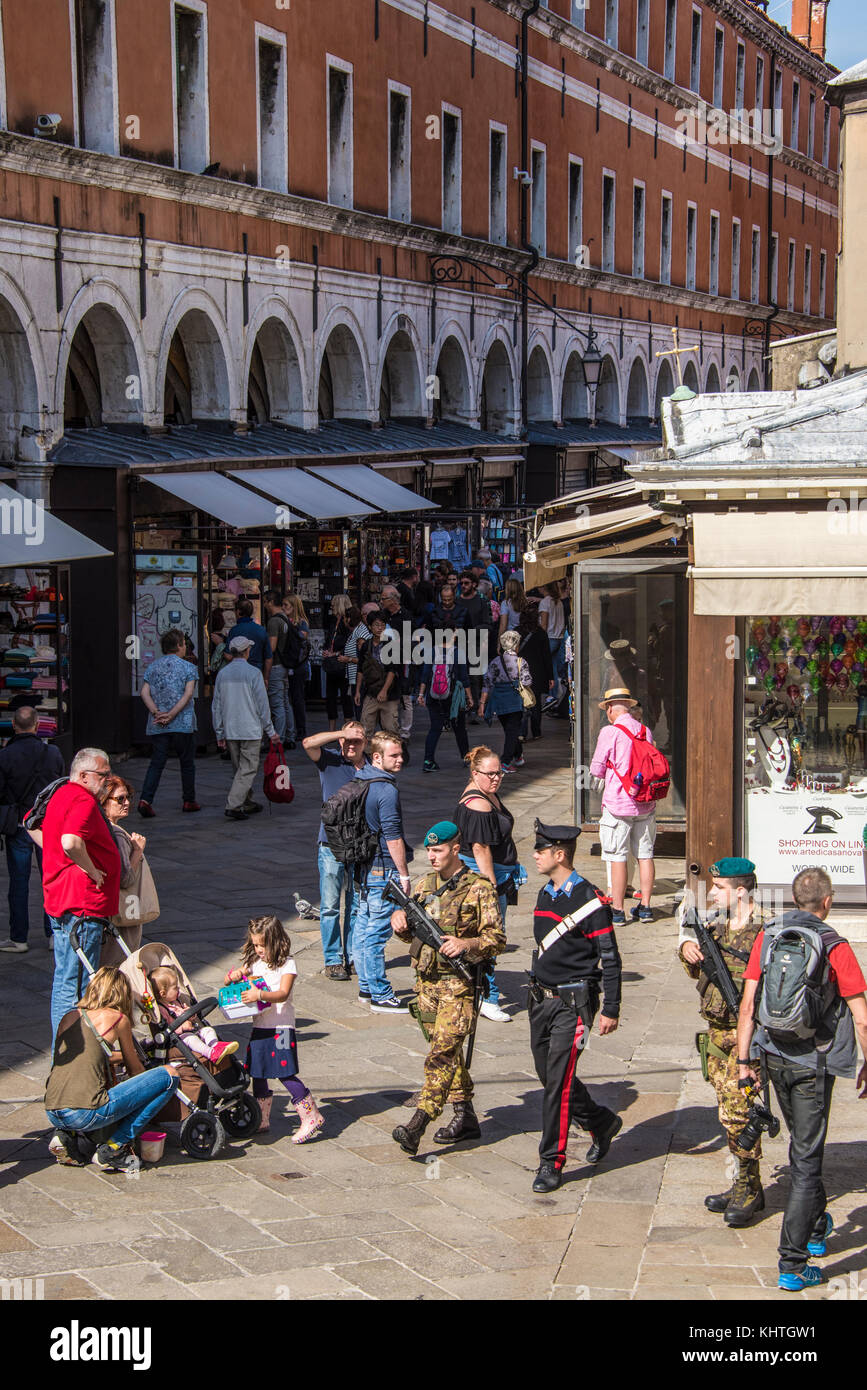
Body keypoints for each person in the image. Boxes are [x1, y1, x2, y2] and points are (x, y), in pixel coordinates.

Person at [736, 866, 867, 1291]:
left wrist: (744, 1061)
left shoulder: (769, 936)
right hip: (815, 1064)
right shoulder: (835, 945)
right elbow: (861, 1019)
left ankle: (813, 1225)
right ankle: (793, 1263)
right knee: (807, 1161)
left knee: (802, 1148)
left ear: (795, 900)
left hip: (772, 1056)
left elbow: (748, 1004)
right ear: (826, 903)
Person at [390, 820, 505, 1155]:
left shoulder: (478, 888)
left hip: (459, 986)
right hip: (426, 984)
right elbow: (414, 934)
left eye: (438, 850)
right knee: (449, 1054)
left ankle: (418, 1124)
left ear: (456, 849)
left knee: (440, 1056)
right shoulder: (425, 887)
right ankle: (465, 1116)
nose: (432, 856)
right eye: (429, 850)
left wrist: (466, 945)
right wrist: (400, 926)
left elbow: (497, 940)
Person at [528, 820, 623, 1193]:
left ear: (560, 854)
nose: (535, 855)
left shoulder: (589, 900)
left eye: (541, 849)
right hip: (541, 1000)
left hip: (574, 1004)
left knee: (557, 1085)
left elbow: (611, 958)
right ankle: (600, 1122)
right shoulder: (545, 894)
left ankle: (551, 1161)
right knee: (548, 1076)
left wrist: (611, 1008)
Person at [678, 858, 771, 1225]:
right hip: (717, 1036)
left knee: (740, 1115)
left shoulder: (765, 930)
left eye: (719, 888)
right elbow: (697, 969)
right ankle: (745, 1186)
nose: (712, 893)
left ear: (742, 891)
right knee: (728, 1113)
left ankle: (749, 1190)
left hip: (747, 1039)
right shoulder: (715, 927)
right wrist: (686, 950)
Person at [44, 966, 180, 1174]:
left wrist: (115, 1059)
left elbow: (85, 1059)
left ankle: (65, 1136)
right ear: (121, 993)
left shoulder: (69, 1017)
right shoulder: (117, 1019)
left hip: (53, 1109)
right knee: (169, 1076)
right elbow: (135, 1070)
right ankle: (114, 1148)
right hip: (84, 1113)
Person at [38, 748, 121, 1041]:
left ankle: (64, 1058)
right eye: (103, 774)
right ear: (84, 776)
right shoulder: (81, 798)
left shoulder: (60, 794)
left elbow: (30, 824)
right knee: (77, 985)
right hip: (82, 905)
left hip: (64, 899)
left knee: (67, 980)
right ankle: (70, 1059)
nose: (108, 779)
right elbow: (71, 841)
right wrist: (92, 870)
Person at [225, 914, 325, 1141]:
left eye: (263, 944)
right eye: (256, 944)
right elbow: (229, 979)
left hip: (281, 1026)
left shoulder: (287, 964)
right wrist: (235, 975)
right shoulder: (254, 963)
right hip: (261, 1025)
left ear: (275, 940)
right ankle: (262, 1116)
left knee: (284, 1072)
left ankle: (311, 1116)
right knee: (257, 1071)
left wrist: (259, 994)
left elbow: (282, 994)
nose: (259, 949)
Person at [455, 746, 525, 1024]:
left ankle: (478, 990)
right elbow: (480, 848)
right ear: (475, 773)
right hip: (486, 876)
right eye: (491, 774)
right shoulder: (478, 803)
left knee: (483, 936)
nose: (496, 778)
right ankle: (487, 996)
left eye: (500, 773)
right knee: (490, 937)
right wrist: (491, 888)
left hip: (500, 872)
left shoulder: (487, 794)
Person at [352, 732, 412, 1013]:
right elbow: (393, 836)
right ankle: (380, 993)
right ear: (377, 757)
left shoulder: (361, 779)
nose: (400, 759)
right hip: (383, 867)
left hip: (363, 865)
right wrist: (404, 874)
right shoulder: (386, 790)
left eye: (400, 754)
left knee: (363, 928)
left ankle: (366, 986)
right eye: (394, 756)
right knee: (377, 932)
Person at [303, 721, 367, 980]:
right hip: (330, 844)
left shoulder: (372, 768)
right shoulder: (329, 761)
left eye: (357, 740)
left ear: (365, 743)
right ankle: (332, 959)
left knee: (355, 905)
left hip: (361, 845)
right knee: (330, 905)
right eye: (347, 741)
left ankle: (351, 955)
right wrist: (343, 732)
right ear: (340, 741)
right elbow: (307, 743)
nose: (351, 745)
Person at [589, 687, 657, 924]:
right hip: (645, 803)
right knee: (645, 854)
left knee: (618, 856)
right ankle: (646, 907)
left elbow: (596, 769)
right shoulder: (644, 730)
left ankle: (617, 909)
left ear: (610, 709)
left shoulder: (609, 732)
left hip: (619, 803)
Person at [0, 706, 64, 953]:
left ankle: (18, 937)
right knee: (51, 880)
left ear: (14, 726)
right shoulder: (53, 752)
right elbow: (59, 784)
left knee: (18, 881)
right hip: (47, 825)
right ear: (38, 726)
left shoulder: (5, 755)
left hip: (18, 825)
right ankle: (53, 933)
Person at [211, 635, 278, 821]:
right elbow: (262, 705)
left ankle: (246, 801)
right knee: (247, 769)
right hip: (250, 728)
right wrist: (270, 731)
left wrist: (219, 730)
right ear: (247, 651)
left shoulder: (223, 674)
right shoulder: (253, 673)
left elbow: (216, 705)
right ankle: (234, 804)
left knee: (239, 768)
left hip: (231, 728)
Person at [138, 629, 200, 818]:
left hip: (158, 722)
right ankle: (188, 800)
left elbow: (144, 693)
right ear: (180, 645)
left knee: (157, 762)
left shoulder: (153, 667)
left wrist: (157, 712)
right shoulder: (189, 668)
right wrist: (172, 714)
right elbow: (188, 694)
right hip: (182, 721)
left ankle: (146, 799)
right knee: (187, 762)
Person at [97, 775, 155, 965]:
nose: (127, 803)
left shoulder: (102, 829)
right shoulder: (118, 835)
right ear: (104, 803)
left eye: (128, 797)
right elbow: (125, 878)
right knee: (121, 963)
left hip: (110, 912)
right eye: (120, 799)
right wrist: (137, 851)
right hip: (123, 913)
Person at [150, 965, 239, 1064]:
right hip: (177, 1039)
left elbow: (188, 1017)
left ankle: (216, 1046)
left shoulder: (177, 1002)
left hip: (192, 1030)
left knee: (207, 1030)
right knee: (191, 1039)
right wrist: (182, 1027)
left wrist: (191, 1015)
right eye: (175, 988)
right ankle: (211, 1053)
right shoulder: (162, 1009)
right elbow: (168, 1028)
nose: (179, 989)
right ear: (163, 993)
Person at [417, 624, 473, 772]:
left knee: (435, 728)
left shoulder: (431, 651)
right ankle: (467, 759)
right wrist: (470, 697)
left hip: (433, 695)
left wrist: (421, 694)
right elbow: (464, 678)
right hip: (453, 697)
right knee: (459, 728)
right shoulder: (458, 653)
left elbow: (425, 675)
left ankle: (428, 761)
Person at [477, 629, 533, 772]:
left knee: (509, 729)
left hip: (499, 701)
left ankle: (518, 756)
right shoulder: (521, 662)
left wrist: (482, 704)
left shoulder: (495, 662)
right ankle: (505, 762)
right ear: (516, 645)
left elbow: (487, 683)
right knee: (512, 731)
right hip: (514, 700)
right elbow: (527, 681)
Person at [356, 611, 401, 739]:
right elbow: (360, 669)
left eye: (382, 625)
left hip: (389, 694)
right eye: (376, 625)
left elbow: (393, 670)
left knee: (391, 730)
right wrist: (358, 691)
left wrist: (384, 690)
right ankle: (367, 757)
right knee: (365, 729)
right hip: (371, 692)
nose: (380, 628)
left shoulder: (391, 644)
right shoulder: (366, 646)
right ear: (370, 626)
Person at [380, 585, 414, 750]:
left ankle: (405, 732)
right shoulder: (384, 616)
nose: (381, 601)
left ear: (392, 600)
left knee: (405, 696)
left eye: (383, 598)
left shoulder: (406, 616)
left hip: (404, 660)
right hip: (387, 660)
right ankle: (391, 728)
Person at [517, 606, 554, 742]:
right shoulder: (541, 633)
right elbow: (547, 657)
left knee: (522, 703)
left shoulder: (516, 632)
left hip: (520, 672)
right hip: (538, 673)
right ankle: (536, 731)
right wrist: (550, 676)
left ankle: (521, 733)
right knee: (536, 703)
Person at [263, 589, 291, 747]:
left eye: (266, 602)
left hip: (276, 666)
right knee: (284, 702)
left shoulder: (274, 621)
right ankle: (289, 735)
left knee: (277, 704)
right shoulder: (285, 618)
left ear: (271, 602)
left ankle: (278, 739)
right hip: (284, 665)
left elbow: (271, 647)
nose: (265, 605)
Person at [323, 595, 355, 730]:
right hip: (331, 665)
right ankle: (332, 729)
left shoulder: (347, 624)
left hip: (342, 665)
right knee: (330, 697)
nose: (331, 607)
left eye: (333, 604)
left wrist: (335, 653)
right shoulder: (333, 623)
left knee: (345, 697)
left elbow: (350, 644)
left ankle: (347, 727)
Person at [282, 594, 311, 743]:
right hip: (290, 664)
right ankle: (292, 727)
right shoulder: (284, 621)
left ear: (294, 607)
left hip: (298, 666)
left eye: (286, 605)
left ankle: (301, 729)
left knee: (297, 697)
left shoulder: (301, 622)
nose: (284, 608)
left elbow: (303, 637)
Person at [227, 598, 270, 680]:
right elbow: (268, 658)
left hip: (239, 674)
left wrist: (220, 645)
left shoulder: (234, 630)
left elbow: (228, 656)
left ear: (238, 612)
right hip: (257, 673)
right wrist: (266, 678)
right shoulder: (261, 630)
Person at [344, 603, 375, 719]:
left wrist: (348, 659)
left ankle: (362, 735)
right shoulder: (357, 630)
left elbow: (364, 658)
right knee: (358, 709)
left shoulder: (360, 632)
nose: (344, 620)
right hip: (355, 675)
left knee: (360, 710)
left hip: (359, 676)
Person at [539, 581, 567, 687]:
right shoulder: (558, 601)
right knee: (553, 667)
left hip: (549, 638)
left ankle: (548, 693)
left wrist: (540, 640)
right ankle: (554, 694)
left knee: (544, 666)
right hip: (559, 638)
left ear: (544, 588)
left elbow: (544, 624)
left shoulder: (545, 602)